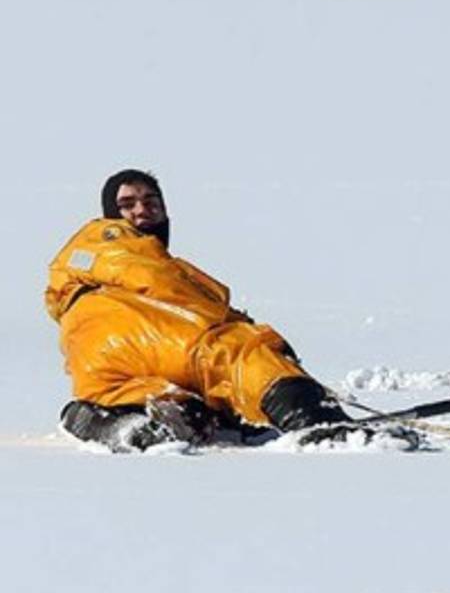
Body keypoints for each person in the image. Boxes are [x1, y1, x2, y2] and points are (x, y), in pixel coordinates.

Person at [45, 168, 369, 450]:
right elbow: (158, 281)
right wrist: (239, 326)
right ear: (108, 214)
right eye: (127, 204)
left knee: (181, 400)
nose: (142, 210)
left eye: (151, 202)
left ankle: (127, 420)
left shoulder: (88, 263)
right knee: (234, 351)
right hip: (122, 333)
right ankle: (316, 422)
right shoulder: (108, 237)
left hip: (99, 361)